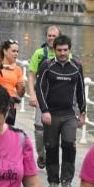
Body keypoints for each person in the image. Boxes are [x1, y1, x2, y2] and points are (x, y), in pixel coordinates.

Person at [35, 34, 86, 187]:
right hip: (51, 114)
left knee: (69, 145)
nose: (62, 53)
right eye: (59, 50)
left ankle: (67, 180)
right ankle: (53, 180)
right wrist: (44, 111)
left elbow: (81, 91)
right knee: (51, 146)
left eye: (65, 50)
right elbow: (40, 90)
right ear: (54, 50)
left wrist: (82, 112)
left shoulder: (76, 66)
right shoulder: (47, 65)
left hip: (69, 114)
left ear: (69, 50)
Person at [27, 25, 60, 168]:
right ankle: (41, 154)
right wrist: (32, 95)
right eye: (49, 35)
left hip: (59, 100)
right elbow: (31, 75)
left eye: (54, 36)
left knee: (55, 130)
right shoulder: (39, 53)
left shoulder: (66, 54)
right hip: (42, 97)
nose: (51, 38)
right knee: (40, 129)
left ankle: (52, 158)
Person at [0, 40, 26, 126]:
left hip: (10, 104)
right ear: (5, 51)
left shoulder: (17, 69)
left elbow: (21, 94)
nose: (16, 54)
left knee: (8, 131)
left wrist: (23, 88)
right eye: (13, 51)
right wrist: (1, 66)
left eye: (17, 51)